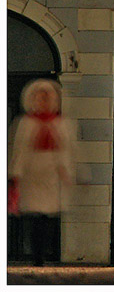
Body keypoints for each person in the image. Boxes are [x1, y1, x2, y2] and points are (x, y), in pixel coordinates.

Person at [9, 79, 75, 266]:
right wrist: (16, 174)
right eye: (40, 98)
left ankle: (44, 252)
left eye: (47, 98)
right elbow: (20, 149)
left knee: (48, 217)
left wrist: (65, 172)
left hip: (51, 176)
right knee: (34, 216)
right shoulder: (26, 123)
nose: (44, 101)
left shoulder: (60, 124)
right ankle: (36, 255)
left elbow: (65, 150)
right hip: (32, 176)